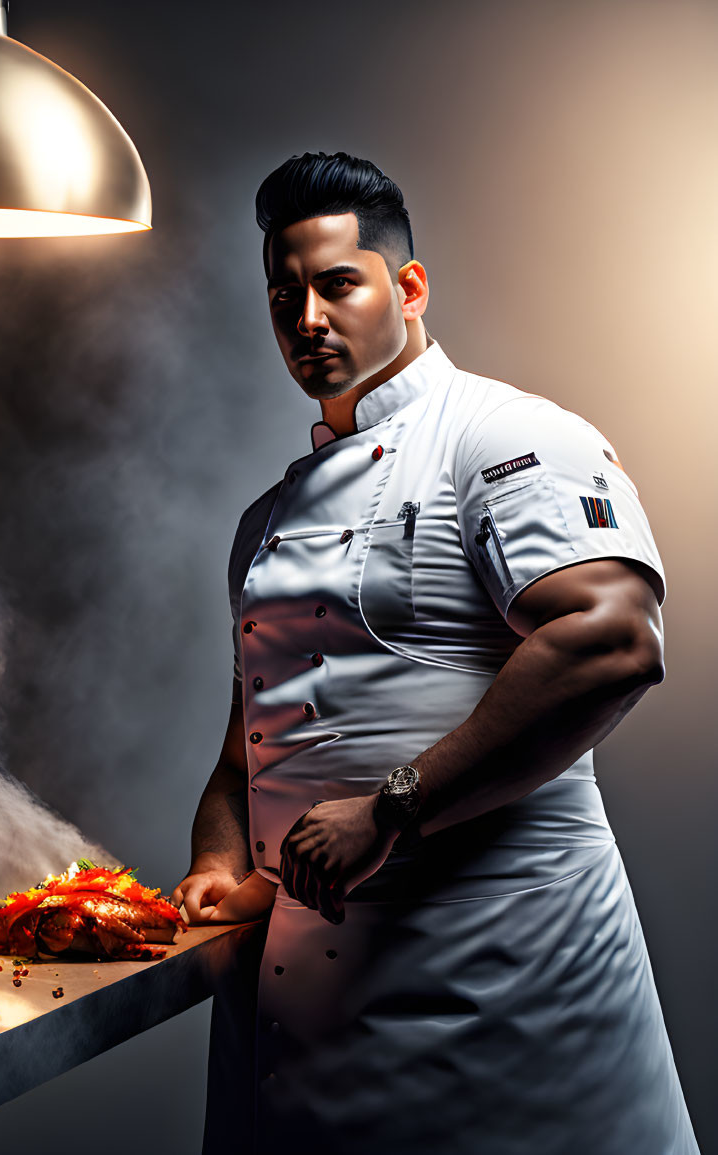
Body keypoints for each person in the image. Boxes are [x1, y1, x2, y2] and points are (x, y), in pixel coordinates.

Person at [170, 151, 700, 1155]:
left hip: (509, 1004)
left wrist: (390, 807)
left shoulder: (509, 437)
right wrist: (215, 855)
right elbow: (248, 747)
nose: (306, 320)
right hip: (307, 1024)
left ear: (406, 288)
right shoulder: (265, 521)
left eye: (335, 284)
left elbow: (611, 639)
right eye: (284, 296)